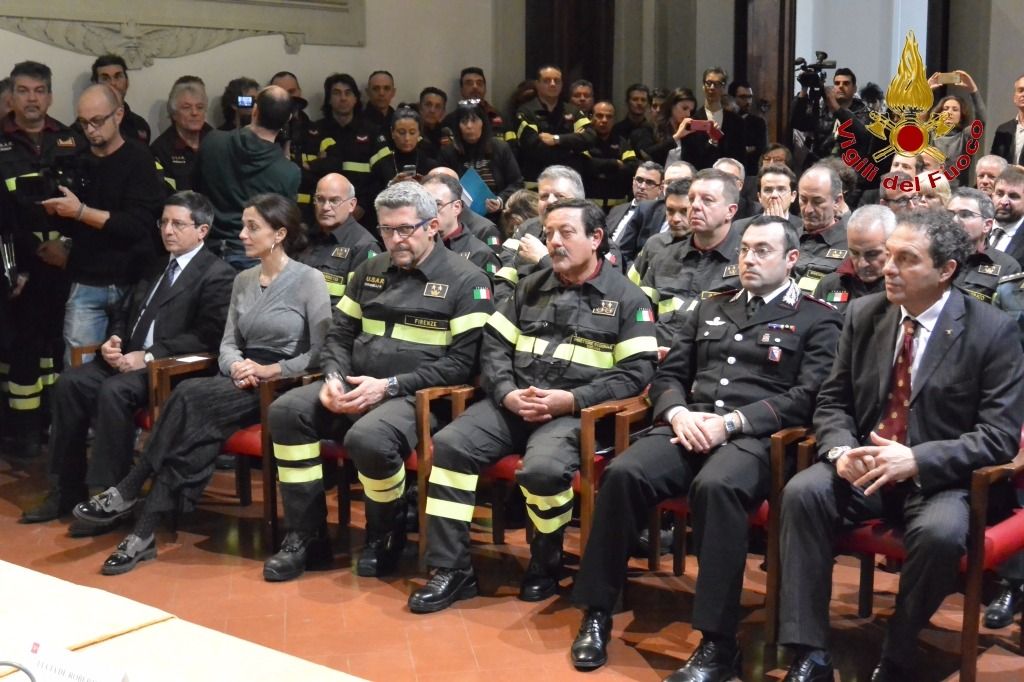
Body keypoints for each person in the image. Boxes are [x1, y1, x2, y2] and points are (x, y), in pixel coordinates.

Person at [570, 216, 841, 674]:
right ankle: (596, 612)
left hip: (755, 440)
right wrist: (678, 413)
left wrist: (731, 423)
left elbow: (808, 397)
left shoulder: (817, 318)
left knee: (716, 488)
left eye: (762, 251)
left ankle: (718, 642)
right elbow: (670, 375)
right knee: (623, 473)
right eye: (745, 249)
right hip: (690, 424)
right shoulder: (712, 306)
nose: (749, 258)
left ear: (792, 259)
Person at [778, 209, 1024, 681]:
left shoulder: (992, 330)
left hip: (940, 478)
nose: (887, 268)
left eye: (906, 259)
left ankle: (898, 649)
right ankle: (809, 650)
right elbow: (832, 401)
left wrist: (915, 459)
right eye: (889, 255)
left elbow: (997, 437)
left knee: (941, 534)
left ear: (946, 269)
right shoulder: (864, 314)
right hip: (865, 466)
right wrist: (839, 451)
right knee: (802, 492)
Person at [409, 197, 658, 613]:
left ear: (596, 238)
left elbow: (636, 373)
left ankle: (547, 555)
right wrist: (506, 391)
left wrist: (572, 400)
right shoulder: (528, 287)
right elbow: (493, 346)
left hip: (573, 412)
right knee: (450, 446)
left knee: (542, 471)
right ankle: (452, 570)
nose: (554, 242)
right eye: (549, 233)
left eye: (566, 233)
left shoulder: (629, 299)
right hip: (514, 402)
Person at [72, 193, 331, 575]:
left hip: (280, 382)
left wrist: (271, 370)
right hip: (237, 376)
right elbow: (226, 343)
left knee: (189, 396)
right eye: (242, 226)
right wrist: (236, 365)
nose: (241, 234)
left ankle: (130, 492)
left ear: (279, 234)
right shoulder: (243, 279)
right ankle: (142, 532)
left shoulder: (309, 280)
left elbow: (321, 352)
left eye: (252, 227)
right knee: (194, 437)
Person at [261, 182, 492, 581]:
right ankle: (306, 535)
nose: (395, 239)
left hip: (418, 397)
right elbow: (339, 335)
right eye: (386, 229)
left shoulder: (467, 280)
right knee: (285, 412)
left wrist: (389, 386)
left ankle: (385, 534)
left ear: (432, 226)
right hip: (353, 386)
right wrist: (333, 377)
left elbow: (462, 364)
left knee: (368, 438)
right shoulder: (369, 270)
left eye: (405, 229)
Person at [20, 191, 234, 530]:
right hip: (126, 359)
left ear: (202, 230)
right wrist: (115, 339)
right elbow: (124, 312)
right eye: (164, 222)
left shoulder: (217, 274)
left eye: (178, 224)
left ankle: (109, 498)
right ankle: (65, 489)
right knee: (70, 383)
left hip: (170, 369)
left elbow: (207, 336)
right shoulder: (154, 264)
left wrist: (149, 356)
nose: (167, 230)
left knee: (114, 392)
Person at [40, 84, 165, 363]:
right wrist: (55, 210)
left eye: (97, 121)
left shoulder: (139, 158)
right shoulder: (77, 160)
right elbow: (71, 227)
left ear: (118, 115)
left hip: (132, 278)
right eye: (83, 122)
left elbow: (137, 225)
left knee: (131, 365)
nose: (90, 129)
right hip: (87, 277)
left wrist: (81, 212)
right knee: (78, 366)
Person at [0, 61, 88, 457]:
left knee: (58, 346)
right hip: (20, 266)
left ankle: (57, 423)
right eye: (23, 91)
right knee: (22, 348)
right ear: (11, 96)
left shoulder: (71, 140)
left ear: (49, 96)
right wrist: (17, 264)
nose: (31, 99)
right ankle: (24, 433)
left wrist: (67, 245)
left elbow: (89, 200)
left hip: (67, 261)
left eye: (38, 91)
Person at [195, 85, 301, 269]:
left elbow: (195, 188)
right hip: (253, 257)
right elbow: (284, 223)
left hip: (206, 250)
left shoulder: (213, 141)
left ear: (255, 111)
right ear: (288, 119)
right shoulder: (288, 172)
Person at [640, 168, 743, 346]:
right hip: (658, 354)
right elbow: (640, 313)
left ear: (730, 211)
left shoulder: (747, 261)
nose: (694, 206)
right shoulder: (663, 257)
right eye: (692, 198)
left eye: (707, 200)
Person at [298, 173, 378, 305]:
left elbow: (358, 305)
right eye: (320, 199)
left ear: (352, 205)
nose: (325, 207)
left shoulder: (364, 246)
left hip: (332, 318)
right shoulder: (304, 237)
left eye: (334, 201)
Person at [438, 100, 523, 217]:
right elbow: (443, 189)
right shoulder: (448, 153)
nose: (469, 126)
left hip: (499, 214)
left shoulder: (500, 148)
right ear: (457, 126)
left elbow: (517, 183)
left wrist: (500, 201)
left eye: (474, 120)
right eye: (464, 121)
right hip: (462, 216)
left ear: (483, 123)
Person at [515, 65, 595, 183]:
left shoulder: (573, 111)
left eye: (557, 81)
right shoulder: (526, 111)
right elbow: (533, 147)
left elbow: (590, 138)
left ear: (562, 85)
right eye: (547, 80)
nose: (553, 84)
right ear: (537, 84)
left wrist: (557, 139)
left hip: (568, 182)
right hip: (536, 181)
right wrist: (573, 149)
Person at [812, 205, 895, 312]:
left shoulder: (905, 290)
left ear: (892, 247)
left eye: (872, 254)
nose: (862, 264)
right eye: (855, 253)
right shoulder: (829, 285)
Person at [948, 186, 1021, 302]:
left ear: (987, 225)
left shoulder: (1007, 267)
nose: (955, 220)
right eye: (950, 214)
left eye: (965, 214)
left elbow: (1009, 312)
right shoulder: (933, 257)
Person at [421, 173, 499, 276]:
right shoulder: (414, 248)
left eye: (437, 204)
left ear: (456, 207)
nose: (429, 211)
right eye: (423, 205)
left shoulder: (481, 254)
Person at [794, 164, 849, 293]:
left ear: (837, 201)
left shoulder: (851, 246)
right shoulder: (786, 238)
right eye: (803, 200)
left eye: (817, 202)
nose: (808, 210)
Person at [150, 78, 212, 192]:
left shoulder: (217, 141)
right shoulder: (160, 150)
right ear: (174, 114)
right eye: (186, 107)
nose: (195, 113)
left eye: (200, 107)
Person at [926, 70, 985, 187]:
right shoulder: (929, 134)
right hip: (931, 189)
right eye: (945, 108)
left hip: (958, 192)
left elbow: (981, 121)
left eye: (955, 109)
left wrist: (973, 90)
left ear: (961, 115)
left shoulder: (966, 136)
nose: (949, 112)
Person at [583, 100, 638, 212]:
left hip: (617, 209)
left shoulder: (622, 142)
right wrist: (615, 164)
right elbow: (584, 165)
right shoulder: (582, 141)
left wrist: (600, 167)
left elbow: (632, 167)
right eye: (599, 116)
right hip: (589, 208)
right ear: (591, 117)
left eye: (609, 117)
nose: (604, 120)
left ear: (614, 120)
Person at [605, 161, 663, 264]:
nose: (642, 186)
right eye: (639, 180)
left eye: (649, 183)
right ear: (633, 181)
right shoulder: (617, 210)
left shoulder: (661, 217)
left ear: (660, 189)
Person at [90, 54, 150, 145]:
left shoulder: (140, 125)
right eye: (105, 78)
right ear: (95, 84)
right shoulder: (85, 126)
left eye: (118, 76)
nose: (113, 83)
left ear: (127, 82)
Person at [631, 87, 697, 167]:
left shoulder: (689, 130)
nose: (688, 114)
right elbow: (649, 155)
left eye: (691, 111)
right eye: (684, 108)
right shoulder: (653, 127)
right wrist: (676, 137)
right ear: (671, 106)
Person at [382, 107, 439, 181]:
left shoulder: (430, 165)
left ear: (419, 133)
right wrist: (391, 185)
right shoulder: (382, 164)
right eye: (401, 132)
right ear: (392, 132)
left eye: (412, 132)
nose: (407, 138)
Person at [728, 80, 768, 175]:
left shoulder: (758, 122)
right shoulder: (726, 120)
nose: (748, 101)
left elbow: (761, 149)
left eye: (750, 97)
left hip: (751, 172)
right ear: (732, 98)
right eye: (743, 97)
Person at [987, 167, 1024, 266]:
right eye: (1000, 194)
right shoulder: (978, 228)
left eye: (1013, 196)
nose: (1004, 202)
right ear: (992, 195)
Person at [989, 74, 1024, 165]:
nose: (1023, 94)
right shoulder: (1003, 129)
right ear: (1014, 97)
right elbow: (993, 162)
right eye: (1020, 90)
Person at [416, 86, 448, 157]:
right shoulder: (411, 132)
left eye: (438, 106)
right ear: (419, 107)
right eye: (428, 105)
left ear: (443, 112)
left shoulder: (445, 134)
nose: (432, 110)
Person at [363, 70, 396, 135]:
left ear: (393, 92)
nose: (381, 93)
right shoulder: (357, 121)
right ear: (368, 92)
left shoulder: (400, 121)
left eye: (386, 88)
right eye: (376, 88)